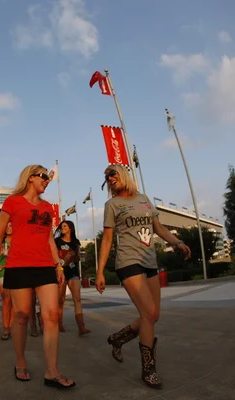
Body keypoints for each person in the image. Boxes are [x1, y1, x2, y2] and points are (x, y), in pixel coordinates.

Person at [95, 164, 191, 389]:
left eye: (112, 173)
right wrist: (99, 271)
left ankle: (118, 338)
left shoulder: (144, 199)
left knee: (153, 315)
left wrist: (176, 242)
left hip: (149, 261)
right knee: (148, 313)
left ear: (124, 174)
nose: (109, 178)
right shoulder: (112, 205)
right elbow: (107, 240)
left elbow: (158, 227)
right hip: (128, 262)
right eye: (106, 177)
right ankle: (149, 369)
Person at [0, 165, 75, 389]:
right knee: (22, 315)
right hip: (18, 266)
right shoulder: (12, 202)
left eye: (49, 178)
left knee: (52, 315)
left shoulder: (48, 208)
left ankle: (52, 371)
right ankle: (20, 362)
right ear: (31, 178)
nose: (48, 181)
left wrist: (58, 265)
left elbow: (49, 239)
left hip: (45, 266)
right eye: (44, 177)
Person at [55, 220, 91, 335]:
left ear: (70, 228)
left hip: (73, 272)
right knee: (60, 300)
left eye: (65, 226)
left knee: (77, 299)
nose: (62, 228)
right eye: (61, 226)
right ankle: (59, 324)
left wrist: (79, 256)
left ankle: (81, 327)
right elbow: (54, 256)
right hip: (61, 272)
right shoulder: (57, 241)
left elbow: (78, 257)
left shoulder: (76, 242)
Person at [0, 222, 15, 340]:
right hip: (3, 273)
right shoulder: (0, 242)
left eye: (11, 226)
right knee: (6, 300)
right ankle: (6, 327)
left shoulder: (19, 241)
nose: (9, 228)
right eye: (7, 226)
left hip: (16, 273)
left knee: (14, 303)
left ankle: (11, 326)